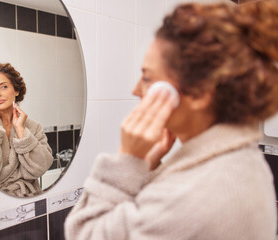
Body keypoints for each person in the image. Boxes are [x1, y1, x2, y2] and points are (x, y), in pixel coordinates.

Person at [65, 1, 278, 239]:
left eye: (147, 78)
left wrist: (128, 158)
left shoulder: (200, 193)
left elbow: (84, 233)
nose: (136, 90)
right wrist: (151, 161)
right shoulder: (237, 165)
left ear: (200, 93)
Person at [0, 63, 53, 197]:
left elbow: (39, 169)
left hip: (27, 198)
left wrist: (20, 130)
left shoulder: (33, 127)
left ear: (16, 90)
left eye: (4, 87)